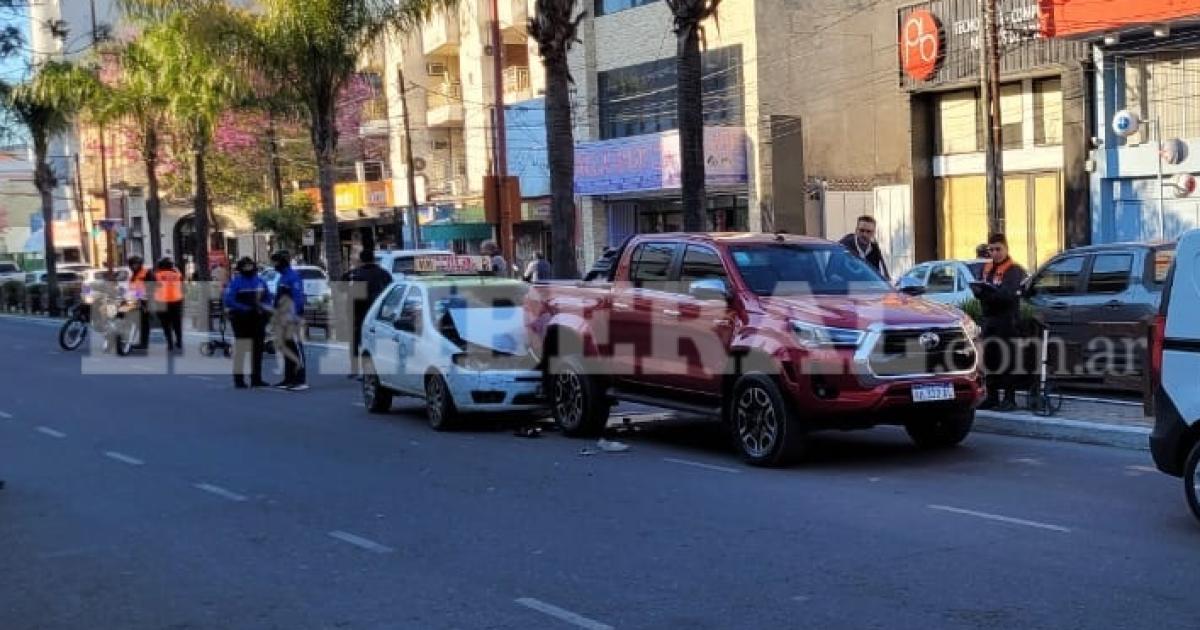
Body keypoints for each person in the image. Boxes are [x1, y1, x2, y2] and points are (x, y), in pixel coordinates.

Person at [973, 233, 1028, 412]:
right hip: (989, 320)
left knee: (1007, 360)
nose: (995, 253)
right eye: (992, 249)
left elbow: (1007, 295)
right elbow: (982, 291)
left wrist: (988, 294)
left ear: (1006, 249)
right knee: (991, 360)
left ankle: (1010, 399)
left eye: (998, 249)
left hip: (1007, 321)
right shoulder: (987, 269)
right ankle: (992, 397)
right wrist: (980, 291)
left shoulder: (1014, 270)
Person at [224, 257, 271, 389]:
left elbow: (268, 298)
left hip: (258, 318)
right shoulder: (235, 283)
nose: (248, 268)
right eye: (245, 266)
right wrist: (244, 308)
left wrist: (265, 309)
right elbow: (229, 300)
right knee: (241, 348)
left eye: (250, 266)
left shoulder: (260, 281)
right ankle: (239, 380)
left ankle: (256, 378)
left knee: (258, 349)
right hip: (240, 318)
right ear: (240, 268)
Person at [347, 249, 392, 379]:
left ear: (361, 260)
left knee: (356, 341)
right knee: (376, 342)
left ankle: (356, 369)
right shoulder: (384, 274)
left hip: (361, 313)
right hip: (380, 314)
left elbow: (354, 298)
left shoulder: (358, 275)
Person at [270, 250, 308, 391]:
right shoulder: (282, 277)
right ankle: (289, 379)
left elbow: (297, 299)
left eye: (275, 262)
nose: (273, 265)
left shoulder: (293, 277)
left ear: (281, 262)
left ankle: (300, 380)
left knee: (296, 348)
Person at [838, 215, 890, 281]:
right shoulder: (843, 247)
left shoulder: (875, 249)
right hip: (846, 288)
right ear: (856, 230)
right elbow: (830, 273)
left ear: (873, 233)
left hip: (866, 289)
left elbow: (876, 275)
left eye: (868, 232)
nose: (864, 235)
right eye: (862, 231)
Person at [154, 257, 185, 353]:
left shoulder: (157, 275)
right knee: (177, 323)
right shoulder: (177, 274)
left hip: (162, 301)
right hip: (176, 301)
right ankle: (179, 342)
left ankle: (170, 344)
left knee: (165, 324)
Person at [127, 256, 152, 351]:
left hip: (145, 301)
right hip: (134, 300)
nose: (134, 266)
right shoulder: (133, 275)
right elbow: (131, 289)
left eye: (136, 264)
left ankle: (143, 343)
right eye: (133, 264)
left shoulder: (147, 273)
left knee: (143, 323)